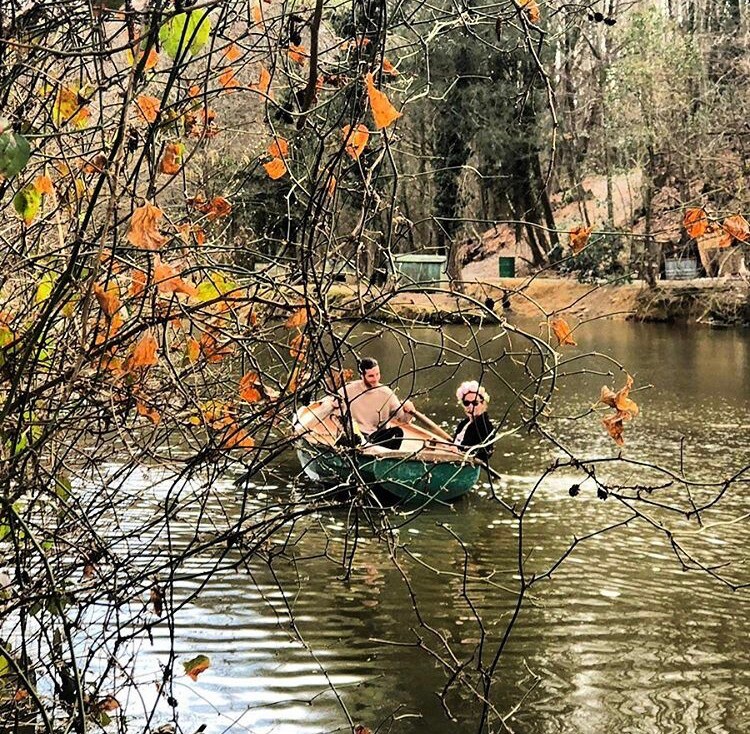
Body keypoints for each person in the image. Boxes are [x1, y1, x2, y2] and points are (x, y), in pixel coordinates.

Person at [328, 357, 415, 450]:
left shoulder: (386, 393)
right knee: (351, 434)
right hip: (354, 436)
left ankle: (387, 460)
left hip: (374, 437)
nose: (375, 379)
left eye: (377, 374)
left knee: (398, 432)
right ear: (361, 375)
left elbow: (403, 419)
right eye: (371, 376)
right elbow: (333, 408)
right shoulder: (348, 390)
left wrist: (409, 411)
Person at [453, 380, 494, 463]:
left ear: (483, 404)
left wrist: (457, 450)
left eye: (475, 403)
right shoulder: (463, 424)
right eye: (466, 403)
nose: (470, 407)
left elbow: (483, 453)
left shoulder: (485, 426)